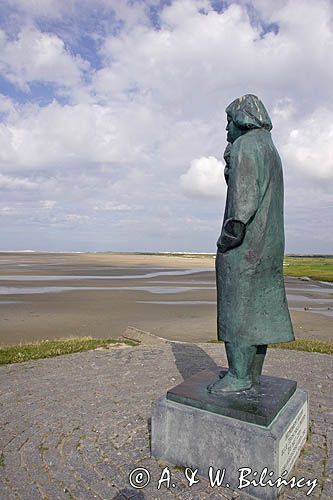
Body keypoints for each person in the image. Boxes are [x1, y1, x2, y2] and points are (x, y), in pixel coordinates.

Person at [208, 94, 294, 394]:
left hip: (245, 248)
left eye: (228, 122)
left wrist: (226, 239)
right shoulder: (270, 149)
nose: (226, 129)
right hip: (268, 246)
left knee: (238, 309)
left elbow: (242, 204)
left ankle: (239, 375)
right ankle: (250, 374)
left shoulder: (246, 145)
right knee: (259, 311)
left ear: (241, 121)